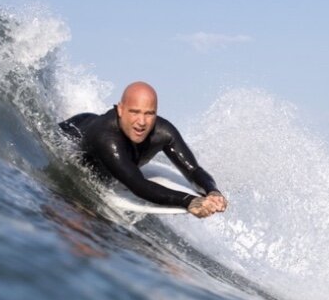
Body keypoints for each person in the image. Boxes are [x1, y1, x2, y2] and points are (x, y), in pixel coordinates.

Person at [59, 81, 227, 218]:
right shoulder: (106, 137)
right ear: (120, 109)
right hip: (74, 130)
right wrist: (189, 201)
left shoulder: (164, 132)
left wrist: (212, 190)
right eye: (134, 112)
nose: (141, 122)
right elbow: (138, 184)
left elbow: (193, 170)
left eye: (149, 114)